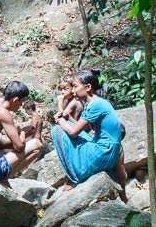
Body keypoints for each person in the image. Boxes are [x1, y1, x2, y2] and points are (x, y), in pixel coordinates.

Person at [51, 70, 127, 198]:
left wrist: (60, 120)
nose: (73, 90)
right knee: (65, 122)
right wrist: (64, 118)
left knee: (57, 130)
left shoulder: (96, 105)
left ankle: (74, 175)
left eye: (75, 86)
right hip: (107, 149)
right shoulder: (92, 102)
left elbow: (74, 132)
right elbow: (75, 123)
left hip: (104, 152)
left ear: (88, 87)